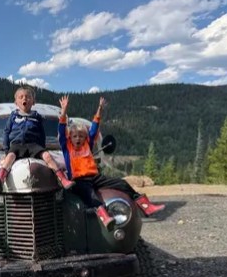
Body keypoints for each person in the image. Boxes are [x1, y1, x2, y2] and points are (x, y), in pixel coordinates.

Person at [58, 95, 165, 228]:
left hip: (95, 178)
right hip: (79, 181)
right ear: (70, 138)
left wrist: (99, 109)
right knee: (92, 198)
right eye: (74, 136)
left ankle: (146, 206)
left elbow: (94, 128)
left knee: (122, 183)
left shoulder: (87, 145)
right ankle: (106, 219)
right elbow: (61, 131)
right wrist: (63, 111)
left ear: (85, 138)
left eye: (81, 136)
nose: (78, 138)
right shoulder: (67, 147)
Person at [0, 86, 73, 192]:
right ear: (16, 102)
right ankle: (0, 179)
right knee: (10, 157)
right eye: (20, 97)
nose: (24, 99)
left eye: (28, 97)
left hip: (34, 145)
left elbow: (41, 133)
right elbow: (6, 132)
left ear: (33, 102)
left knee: (48, 156)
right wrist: (6, 150)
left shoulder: (37, 117)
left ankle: (63, 179)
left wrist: (42, 149)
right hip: (17, 144)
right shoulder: (13, 116)